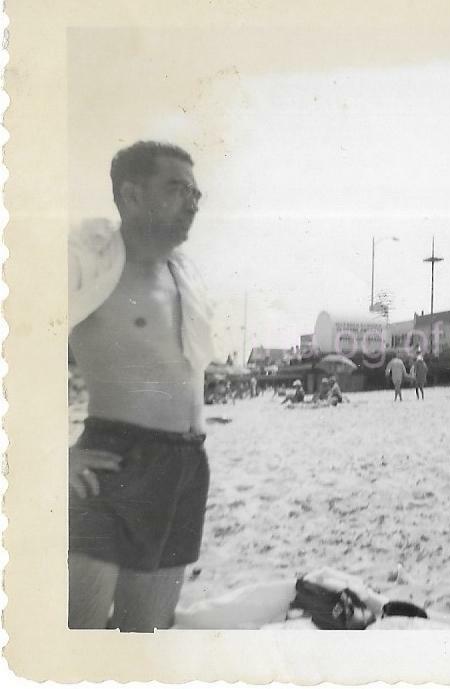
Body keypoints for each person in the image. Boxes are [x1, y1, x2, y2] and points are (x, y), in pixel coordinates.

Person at [68, 141, 212, 631]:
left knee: (143, 640)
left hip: (187, 464)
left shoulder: (185, 274)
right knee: (78, 639)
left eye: (195, 192)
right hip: (113, 460)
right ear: (130, 194)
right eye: (176, 188)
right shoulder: (85, 259)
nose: (192, 201)